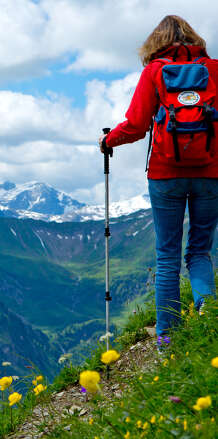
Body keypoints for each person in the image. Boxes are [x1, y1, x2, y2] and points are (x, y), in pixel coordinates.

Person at [99, 15, 218, 347]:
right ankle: (207, 310)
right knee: (199, 251)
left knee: (167, 256)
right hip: (211, 172)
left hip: (165, 173)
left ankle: (167, 336)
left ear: (156, 43)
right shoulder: (215, 70)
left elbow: (137, 125)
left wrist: (109, 142)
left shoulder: (153, 72)